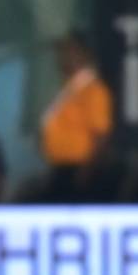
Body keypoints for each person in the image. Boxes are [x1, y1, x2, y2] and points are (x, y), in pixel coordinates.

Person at [40, 31, 114, 201]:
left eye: (69, 51)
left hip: (81, 171)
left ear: (84, 54)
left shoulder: (94, 91)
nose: (64, 57)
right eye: (61, 52)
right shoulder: (67, 90)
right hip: (60, 168)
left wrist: (87, 172)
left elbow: (101, 135)